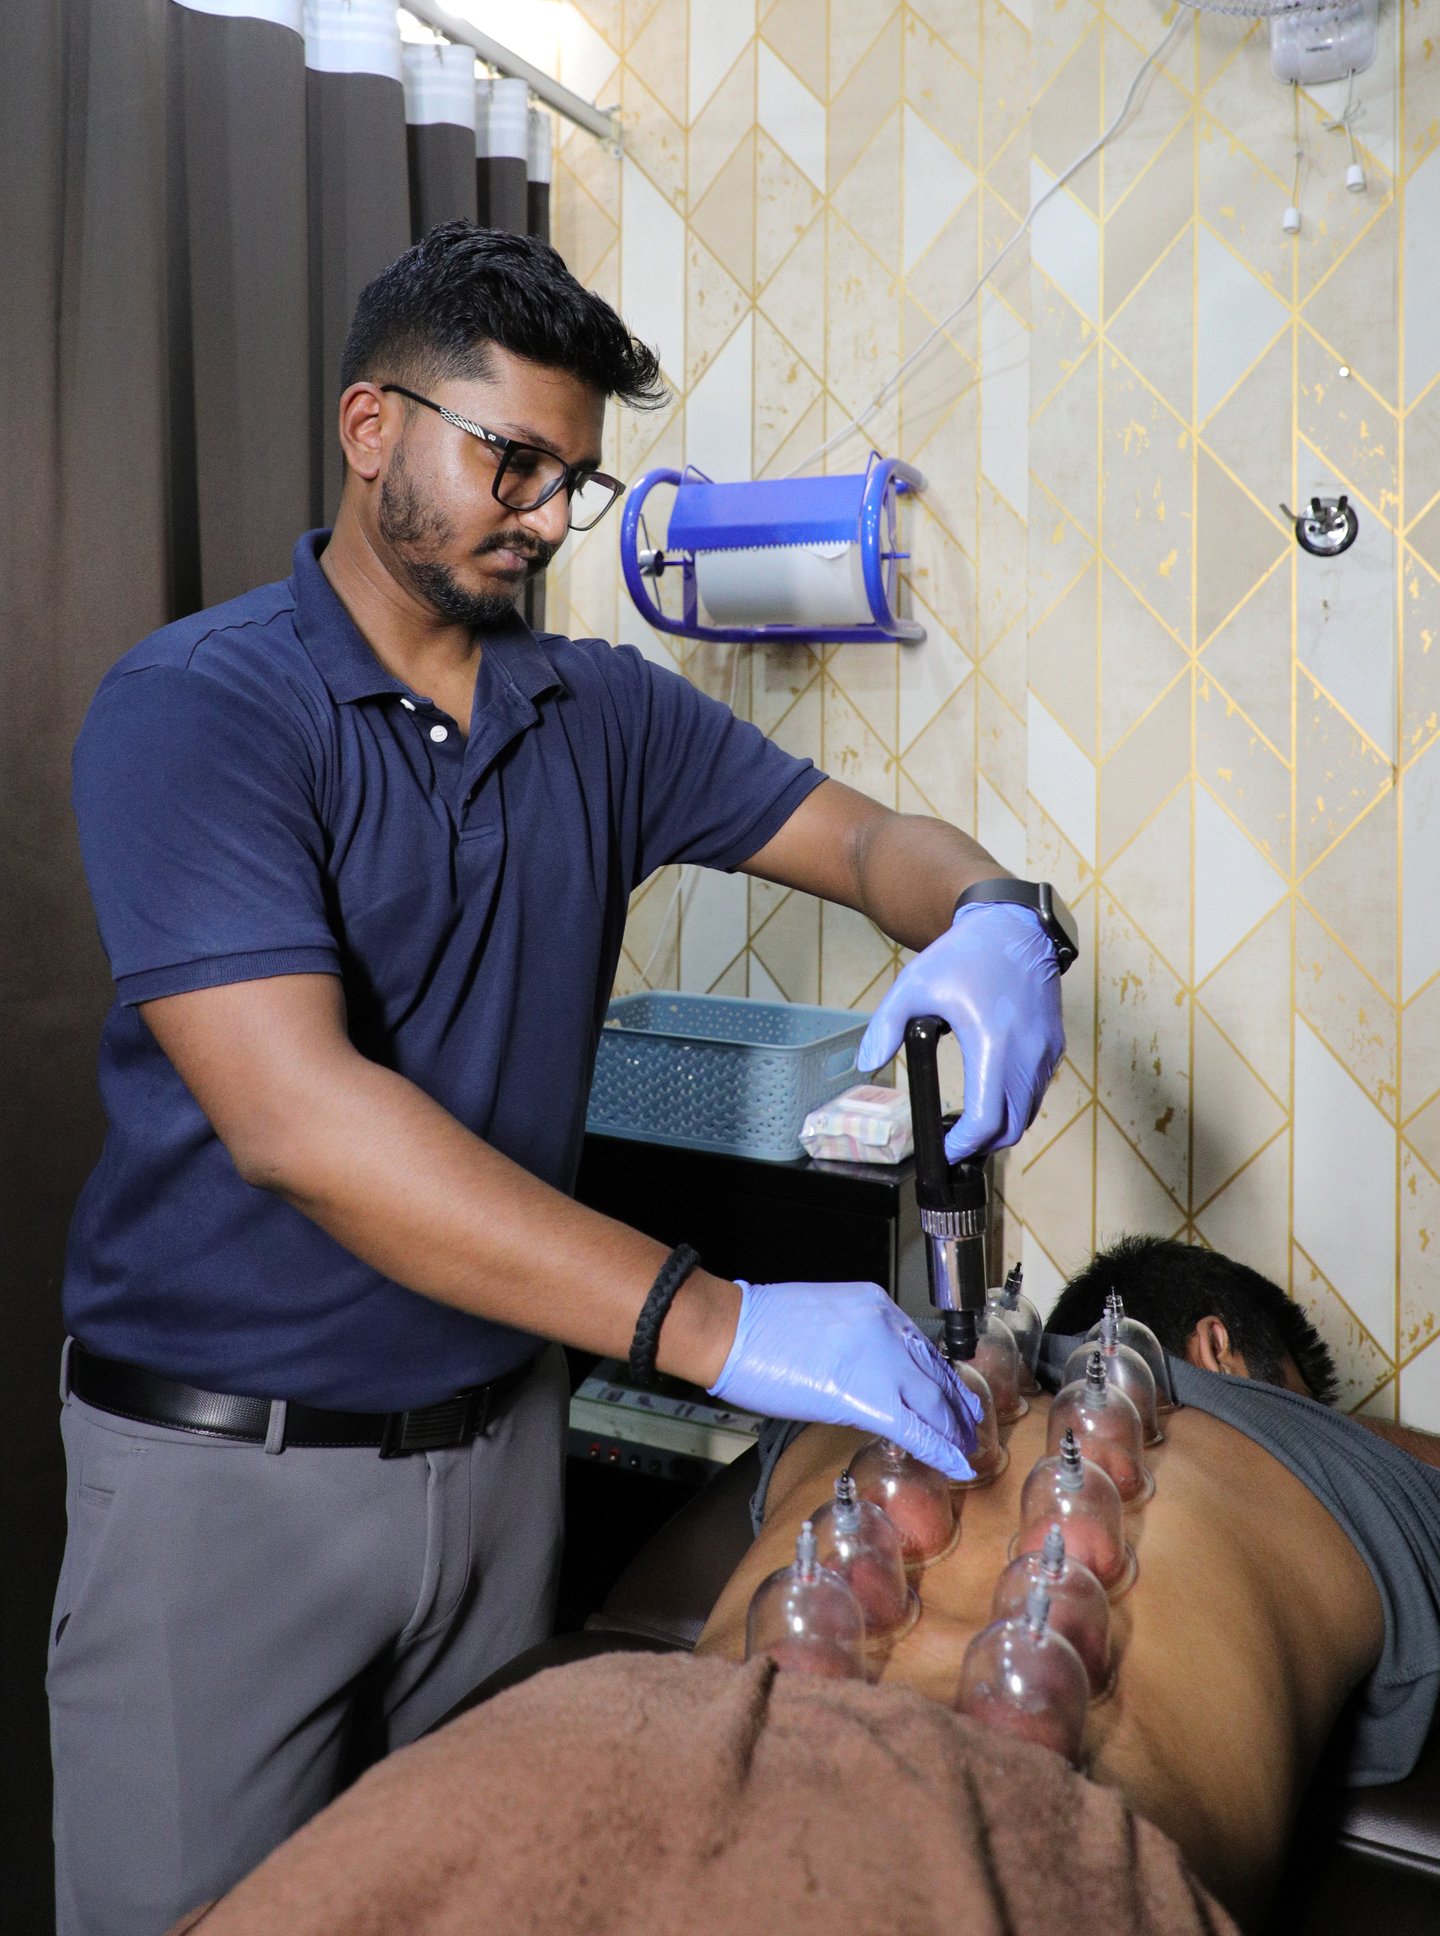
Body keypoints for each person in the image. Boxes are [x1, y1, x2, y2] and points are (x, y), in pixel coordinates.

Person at [51, 223, 1072, 1934]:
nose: (543, 515)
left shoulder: (595, 712)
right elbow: (303, 1125)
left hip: (505, 1451)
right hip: (229, 1478)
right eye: (510, 460)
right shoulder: (200, 711)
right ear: (371, 427)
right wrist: (722, 1323)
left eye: (574, 481)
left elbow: (866, 840)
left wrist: (995, 919)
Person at [154, 1239, 1440, 1936]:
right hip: (1034, 1846)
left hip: (596, 1752)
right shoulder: (1339, 1459)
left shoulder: (862, 1380)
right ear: (1222, 1346)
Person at [693, 1237, 1440, 1927]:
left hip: (695, 1774)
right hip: (1059, 1871)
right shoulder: (1333, 1459)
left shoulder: (854, 1365)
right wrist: (1319, 1423)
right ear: (1219, 1350)